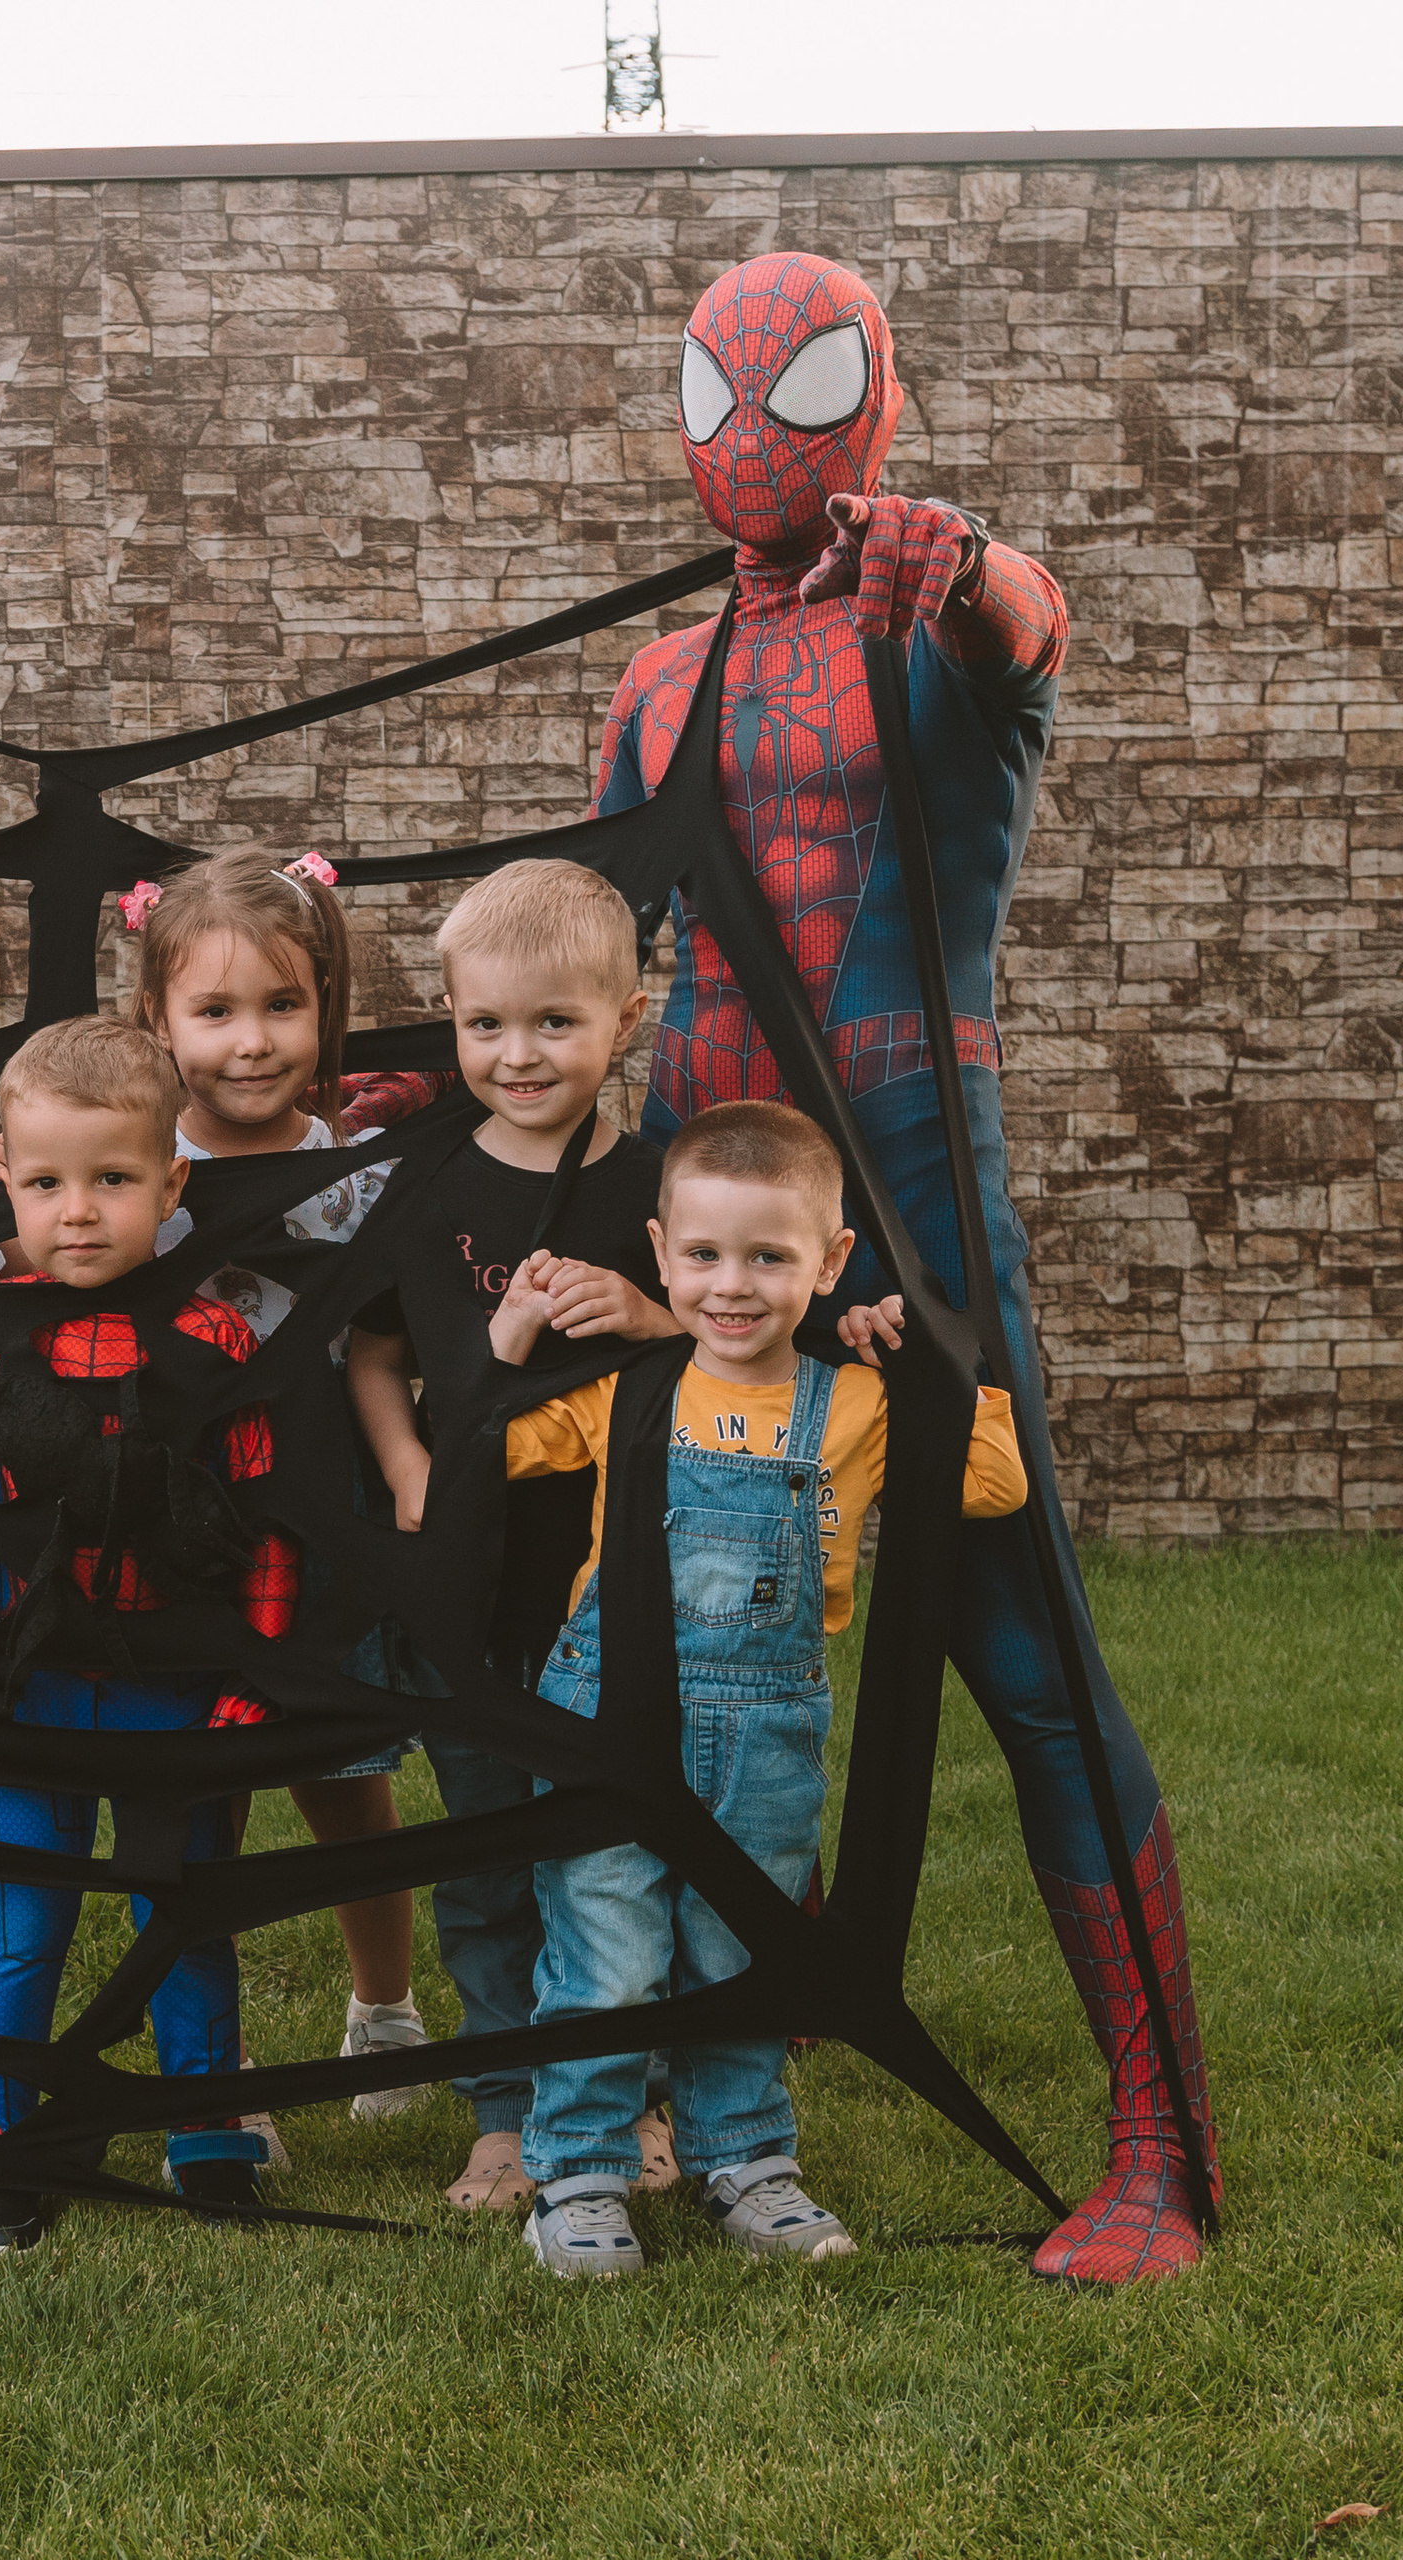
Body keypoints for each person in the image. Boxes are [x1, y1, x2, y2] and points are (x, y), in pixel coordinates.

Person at [596, 248, 1215, 2282]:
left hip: (914, 1211)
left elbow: (1020, 628)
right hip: (679, 1213)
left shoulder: (936, 616)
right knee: (631, 1640)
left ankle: (1159, 2145)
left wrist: (958, 571)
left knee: (1016, 1646)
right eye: (715, 386)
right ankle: (626, 2080)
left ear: (867, 394)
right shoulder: (656, 680)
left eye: (795, 386)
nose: (747, 428)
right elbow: (609, 958)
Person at [494, 1101, 1029, 2276]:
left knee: (742, 1947)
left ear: (830, 1262)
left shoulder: (851, 1404)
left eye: (769, 1257)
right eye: (702, 1255)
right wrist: (513, 1332)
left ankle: (743, 2155)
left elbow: (996, 1478)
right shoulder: (623, 1391)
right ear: (659, 1252)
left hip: (766, 1731)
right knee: (606, 1950)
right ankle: (577, 2175)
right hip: (603, 1720)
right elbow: (483, 1449)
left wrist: (915, 1347)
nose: (730, 1286)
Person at [0, 848, 437, 2121]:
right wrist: (0, 1172)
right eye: (215, 1011)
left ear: (327, 1010)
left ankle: (381, 2004)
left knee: (342, 1768)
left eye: (283, 1007)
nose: (250, 1042)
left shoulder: (358, 1173)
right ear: (157, 1022)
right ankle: (212, 2067)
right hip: (171, 1523)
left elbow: (394, 1335)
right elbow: (40, 1221)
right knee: (191, 1793)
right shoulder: (125, 1161)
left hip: (314, 1503)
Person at [0, 1016, 294, 2259]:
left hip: (178, 1683)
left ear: (170, 1182)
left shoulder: (215, 1341)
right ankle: (6, 2155)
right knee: (21, 1922)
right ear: (8, 1182)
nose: (77, 1211)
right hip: (36, 1683)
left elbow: (264, 1519)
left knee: (179, 1913)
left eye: (112, 1180)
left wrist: (255, 1675)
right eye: (44, 1182)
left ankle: (207, 2141)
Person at [345, 858, 682, 2217]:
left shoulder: (664, 1190)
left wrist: (653, 1317)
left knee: (607, 1849)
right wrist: (412, 1471)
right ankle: (503, 2111)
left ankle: (632, 2093)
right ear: (449, 1017)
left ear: (627, 1018)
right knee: (482, 1850)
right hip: (466, 1579)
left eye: (555, 1022)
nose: (519, 1053)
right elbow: (368, 1355)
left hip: (612, 1578)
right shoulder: (425, 1189)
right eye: (487, 1025)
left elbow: (741, 1350)